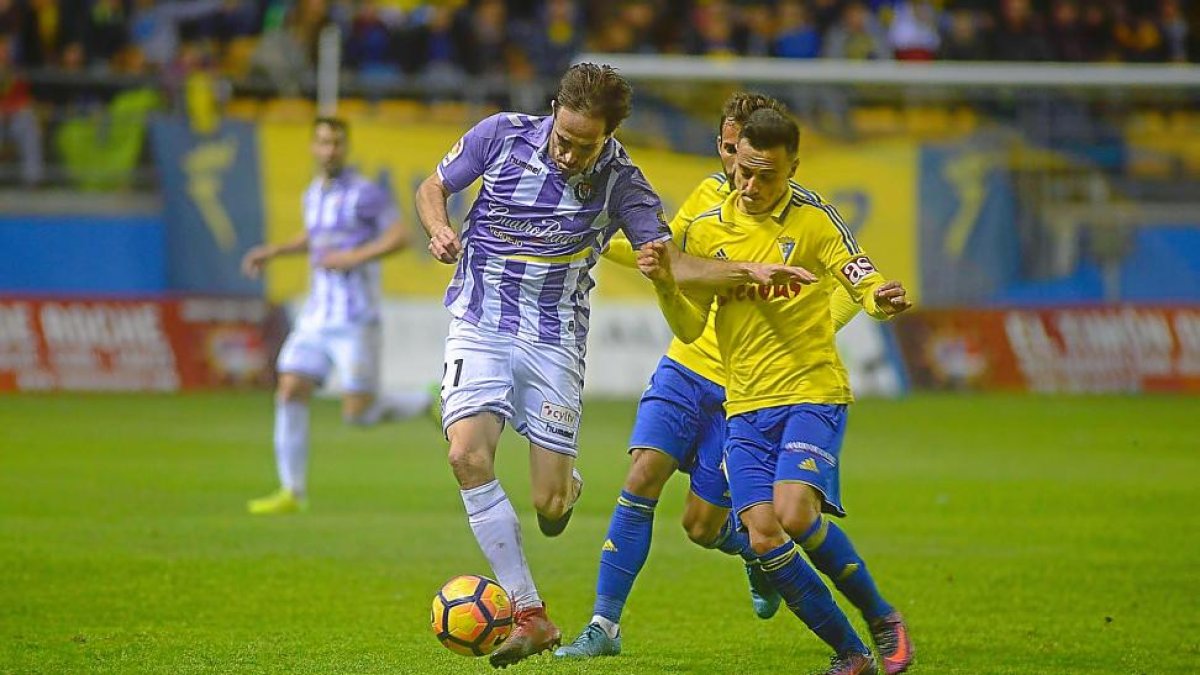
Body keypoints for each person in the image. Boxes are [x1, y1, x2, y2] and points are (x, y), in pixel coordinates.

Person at [414, 64, 812, 668]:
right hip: (481, 321)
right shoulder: (499, 135)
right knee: (466, 454)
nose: (570, 153)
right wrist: (440, 228)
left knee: (549, 502)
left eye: (586, 144)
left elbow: (670, 261)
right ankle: (530, 611)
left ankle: (565, 490)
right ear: (554, 110)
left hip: (554, 340)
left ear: (609, 136)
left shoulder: (623, 181)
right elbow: (431, 187)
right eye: (564, 138)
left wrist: (745, 272)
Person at [556, 92, 863, 660]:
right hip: (685, 368)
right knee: (642, 472)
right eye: (723, 150)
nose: (728, 164)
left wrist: (814, 327)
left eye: (737, 153)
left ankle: (754, 553)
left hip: (745, 392)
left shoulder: (803, 217)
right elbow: (668, 254)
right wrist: (601, 242)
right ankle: (604, 625)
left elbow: (843, 286)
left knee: (700, 526)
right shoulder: (705, 200)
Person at [639, 108, 914, 675]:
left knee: (791, 512)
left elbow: (859, 276)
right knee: (762, 538)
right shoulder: (709, 224)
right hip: (743, 406)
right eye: (744, 171)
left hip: (810, 391)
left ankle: (883, 619)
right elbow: (690, 327)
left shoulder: (814, 220)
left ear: (794, 166)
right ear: (733, 157)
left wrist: (878, 301)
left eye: (767, 175)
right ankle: (850, 654)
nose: (752, 186)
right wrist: (667, 282)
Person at [242, 117, 434, 516]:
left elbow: (401, 236)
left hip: (355, 318)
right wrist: (274, 251)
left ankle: (425, 401)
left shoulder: (366, 195)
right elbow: (314, 235)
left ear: (346, 148)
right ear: (313, 147)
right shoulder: (314, 193)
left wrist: (354, 256)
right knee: (290, 387)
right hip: (317, 316)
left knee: (358, 415)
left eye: (337, 143)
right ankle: (291, 492)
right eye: (324, 142)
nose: (330, 150)